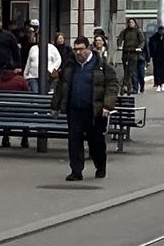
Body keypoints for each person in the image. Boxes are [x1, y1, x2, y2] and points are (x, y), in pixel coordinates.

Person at [51, 36, 119, 182]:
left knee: (96, 141)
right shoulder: (70, 66)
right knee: (74, 140)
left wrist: (107, 105)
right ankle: (76, 171)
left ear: (89, 48)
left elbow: (112, 85)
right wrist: (55, 106)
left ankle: (100, 166)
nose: (78, 53)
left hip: (94, 110)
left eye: (81, 49)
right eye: (76, 49)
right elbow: (61, 86)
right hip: (75, 109)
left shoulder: (101, 65)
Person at [116, 18, 144, 95]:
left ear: (135, 23)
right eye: (129, 22)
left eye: (132, 22)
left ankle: (134, 87)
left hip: (134, 52)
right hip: (126, 52)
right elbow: (120, 38)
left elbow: (142, 41)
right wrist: (119, 45)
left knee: (132, 70)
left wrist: (140, 48)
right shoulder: (125, 31)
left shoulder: (138, 31)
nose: (131, 23)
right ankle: (127, 86)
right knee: (126, 70)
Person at [148, 26, 164, 91]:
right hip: (156, 56)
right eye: (160, 30)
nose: (161, 32)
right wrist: (152, 55)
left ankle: (163, 83)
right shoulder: (153, 37)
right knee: (157, 70)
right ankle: (158, 83)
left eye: (162, 30)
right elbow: (150, 47)